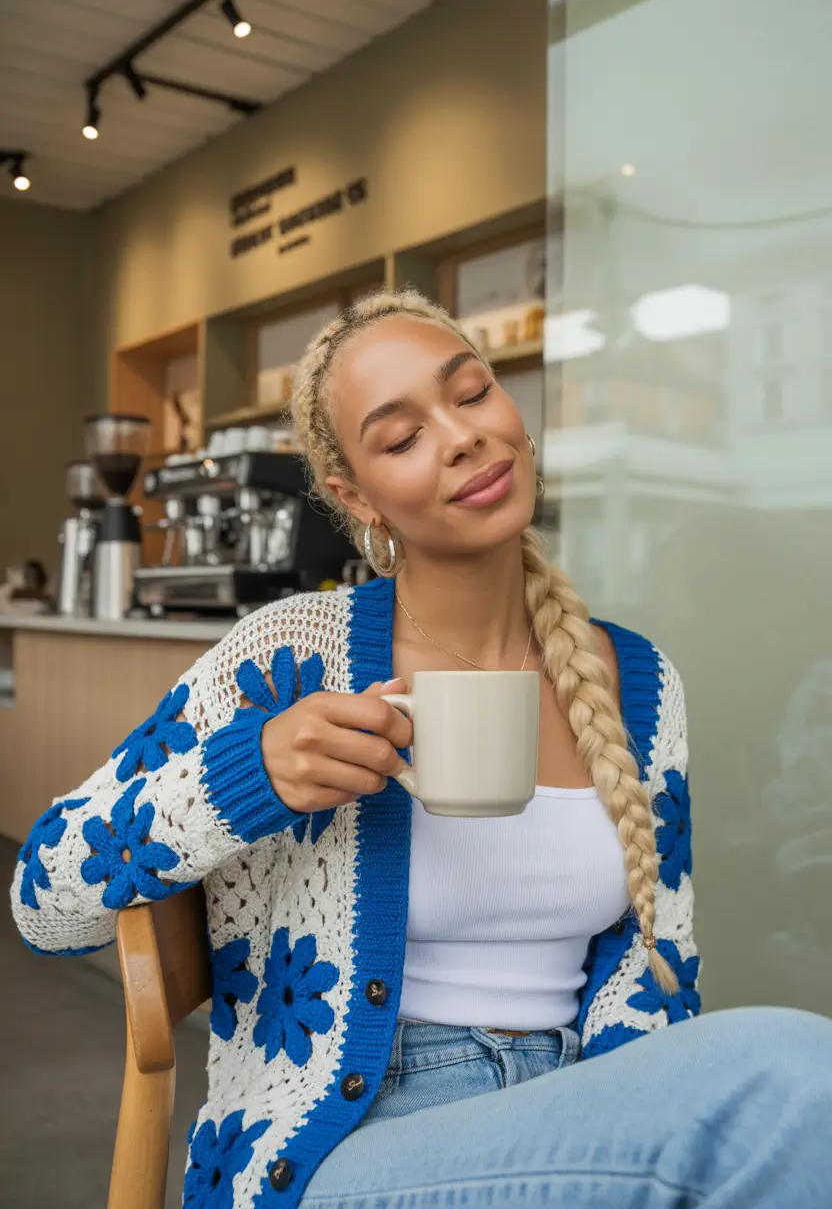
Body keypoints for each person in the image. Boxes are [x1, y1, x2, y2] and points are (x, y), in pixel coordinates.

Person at [11, 290, 832, 1208]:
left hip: (574, 1117)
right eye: (402, 438)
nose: (461, 437)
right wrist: (254, 773)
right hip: (343, 1144)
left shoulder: (639, 681)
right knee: (796, 1083)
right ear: (359, 498)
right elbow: (45, 898)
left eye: (473, 393)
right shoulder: (288, 658)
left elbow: (658, 968)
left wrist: (621, 1102)